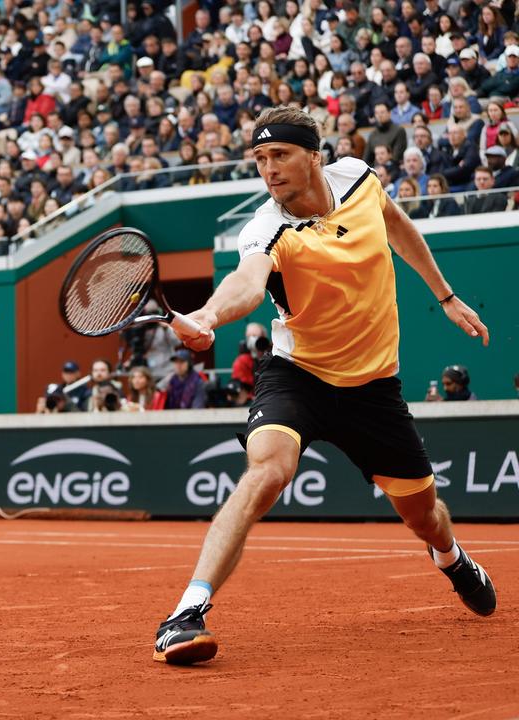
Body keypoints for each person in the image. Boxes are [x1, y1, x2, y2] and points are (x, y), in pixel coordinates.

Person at [153, 106, 493, 666]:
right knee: (267, 472)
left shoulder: (359, 177)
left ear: (315, 154)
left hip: (374, 389)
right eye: (260, 159)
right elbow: (246, 282)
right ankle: (186, 612)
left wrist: (446, 294)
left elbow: (398, 226)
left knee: (424, 516)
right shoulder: (266, 227)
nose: (269, 169)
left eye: (280, 155)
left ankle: (450, 556)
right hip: (299, 377)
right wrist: (209, 316)